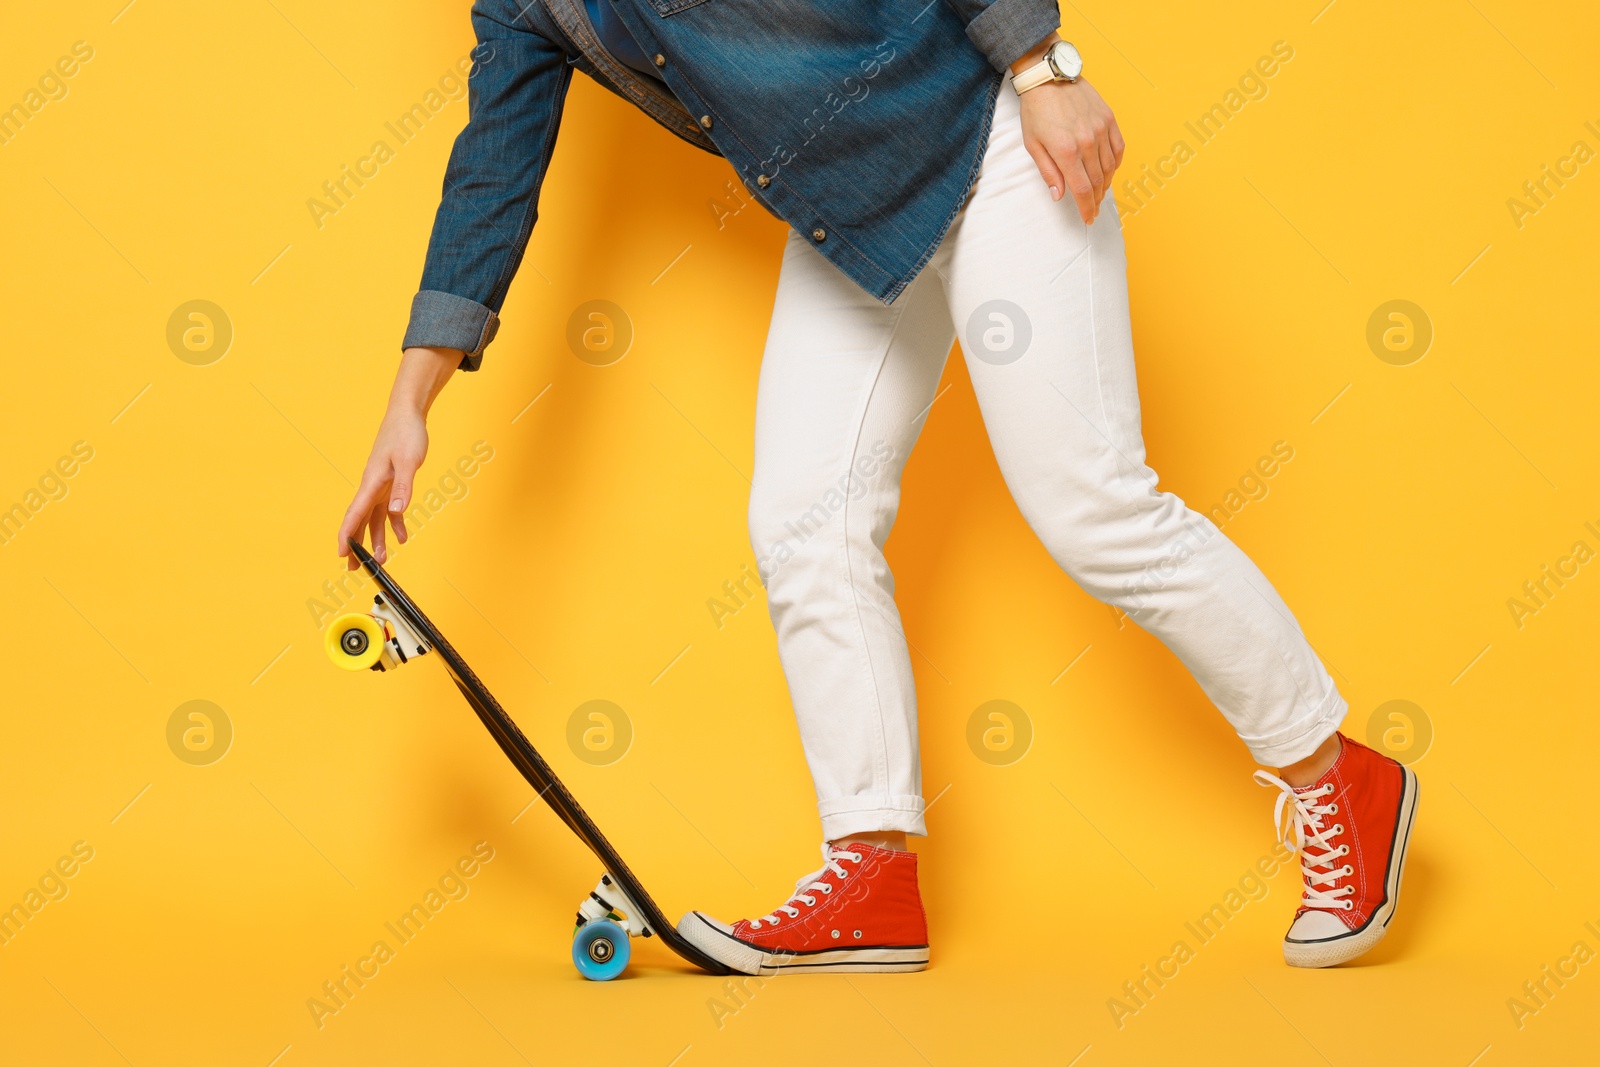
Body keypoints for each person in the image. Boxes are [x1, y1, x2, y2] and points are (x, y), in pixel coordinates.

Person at [336, 0, 1418, 975]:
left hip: (989, 141)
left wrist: (1044, 74)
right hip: (853, 215)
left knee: (1091, 507)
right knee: (804, 520)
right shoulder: (526, 7)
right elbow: (492, 173)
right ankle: (870, 872)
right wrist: (410, 402)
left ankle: (1340, 779)